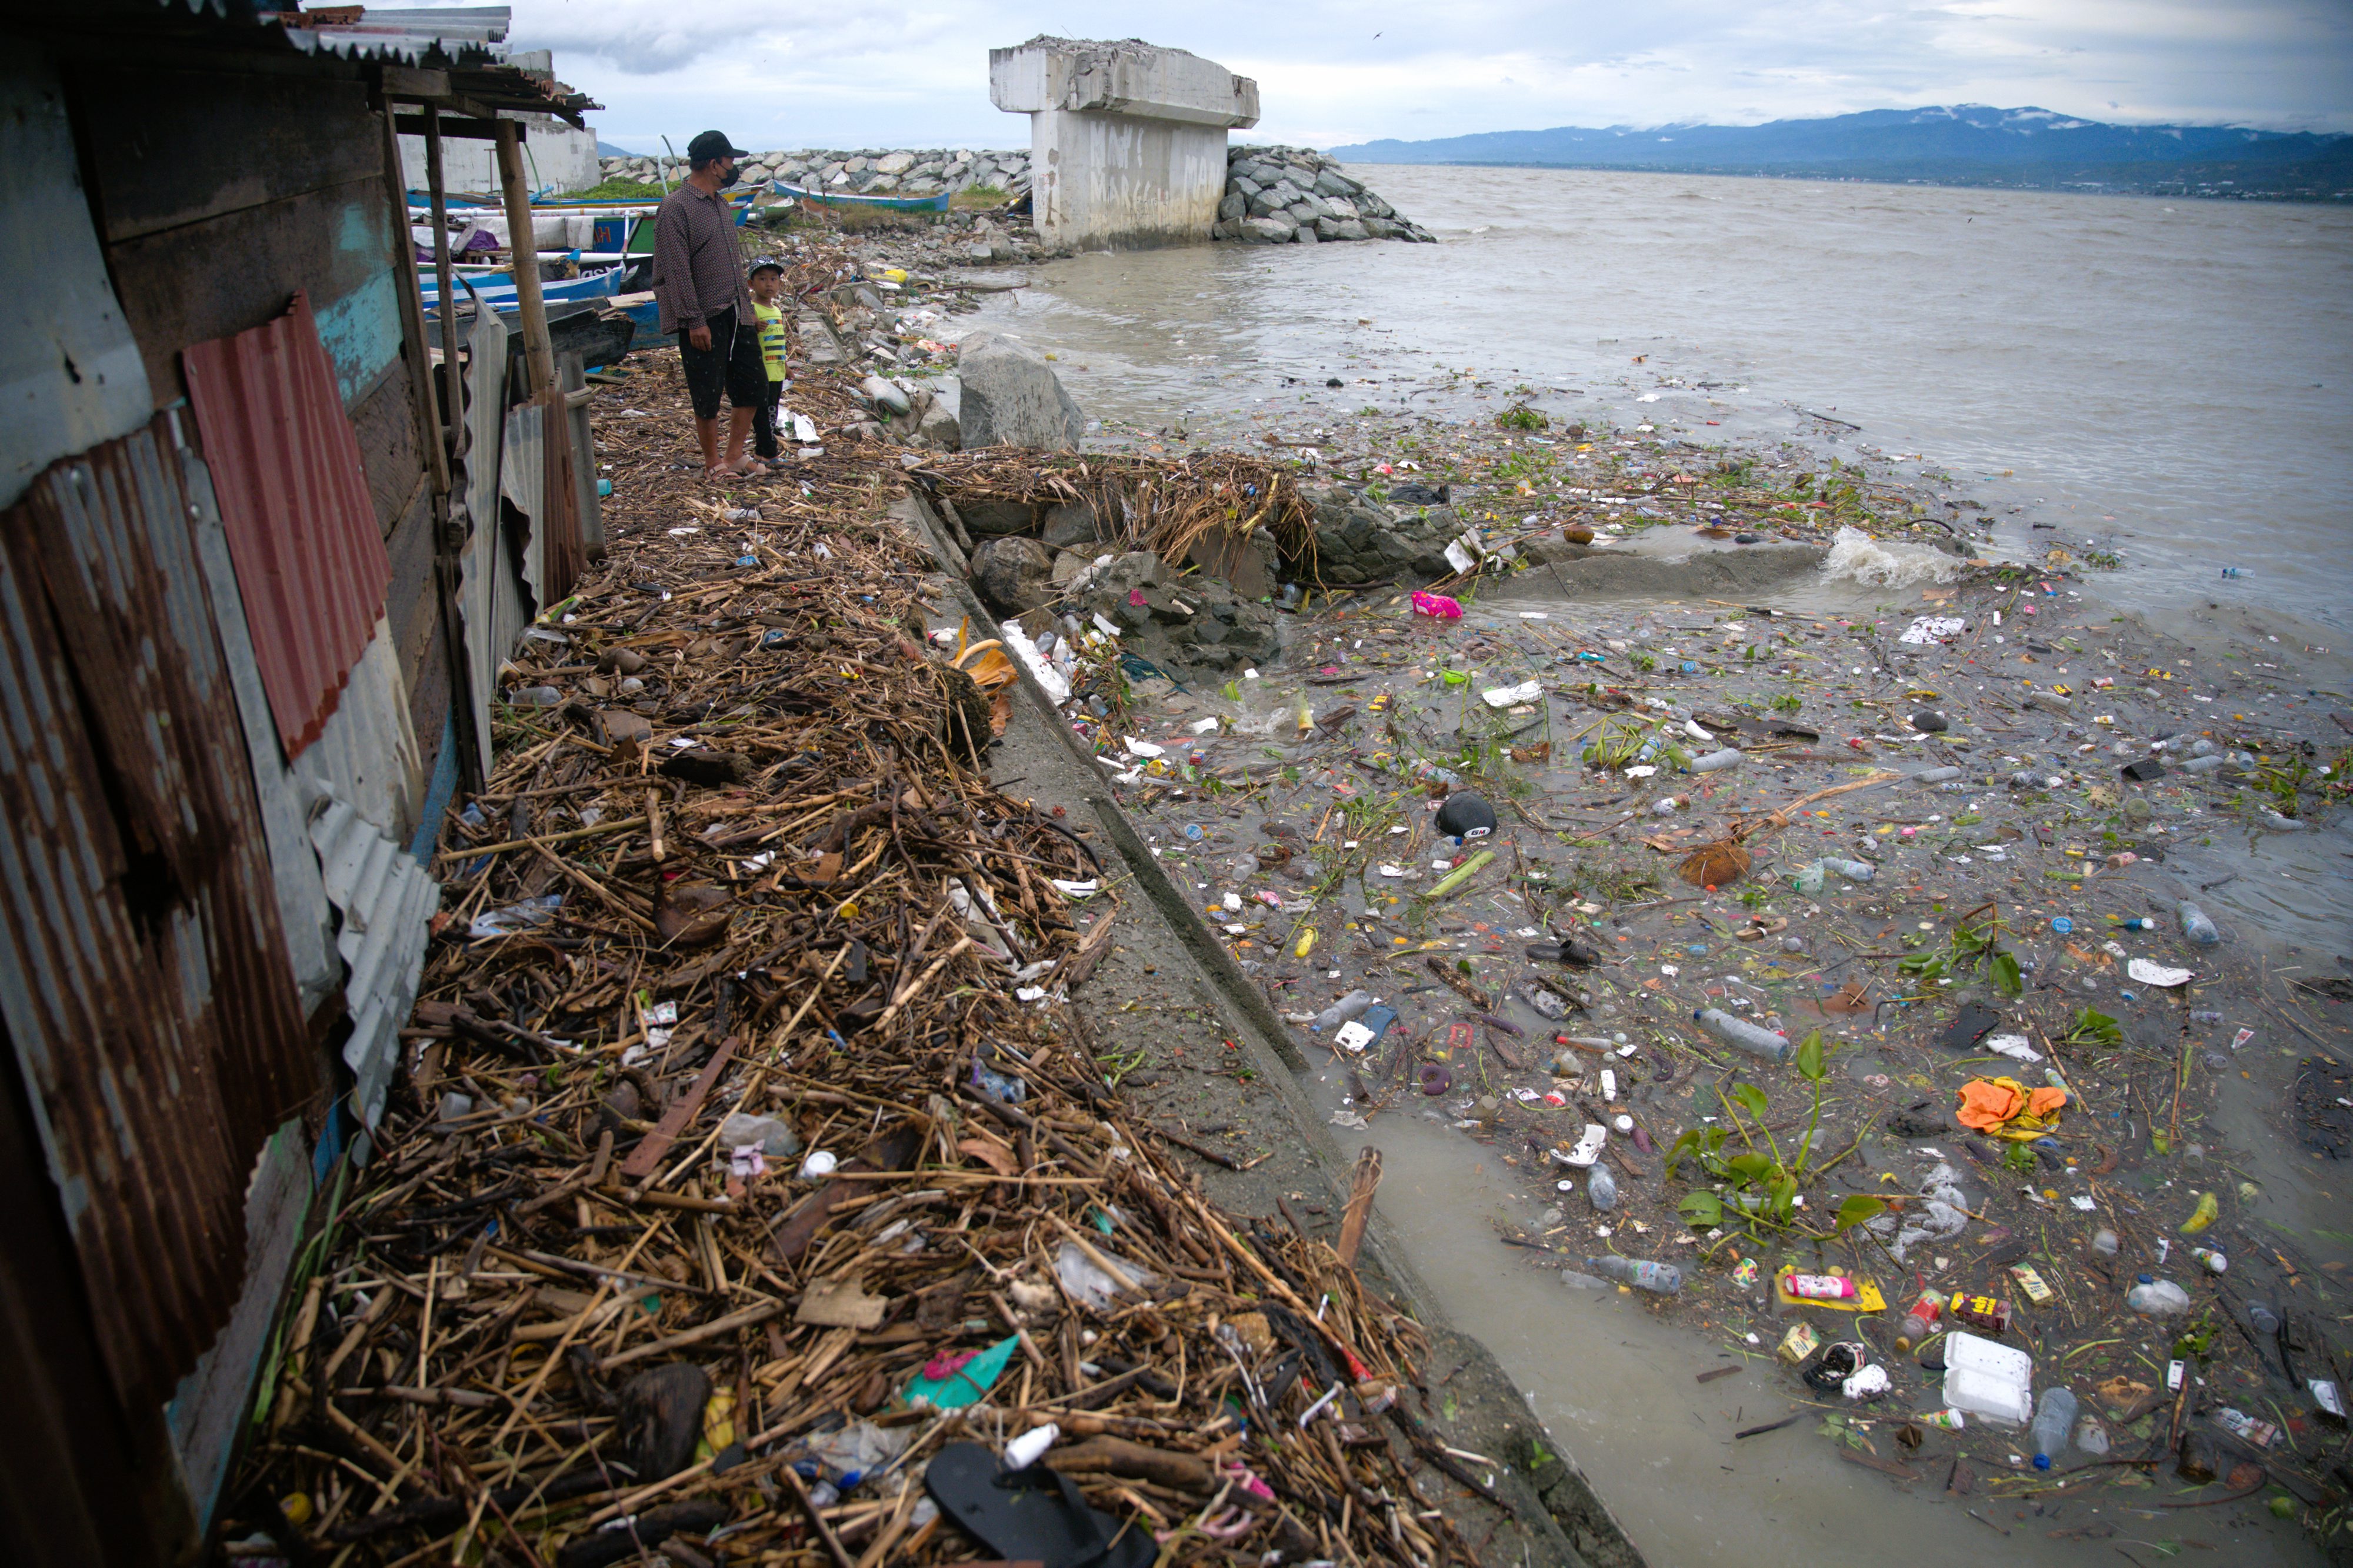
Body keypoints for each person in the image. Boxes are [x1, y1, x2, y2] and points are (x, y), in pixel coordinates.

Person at [651, 129, 762, 475]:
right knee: (707, 390)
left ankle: (734, 455)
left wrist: (748, 307)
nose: (734, 168)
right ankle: (714, 462)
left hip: (736, 309)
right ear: (714, 165)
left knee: (752, 382)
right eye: (730, 162)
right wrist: (693, 320)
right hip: (703, 315)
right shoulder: (675, 208)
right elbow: (675, 268)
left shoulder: (719, 203)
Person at [746, 257, 789, 467]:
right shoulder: (751, 311)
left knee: (770, 413)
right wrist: (752, 326)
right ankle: (769, 453)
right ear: (751, 284)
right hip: (761, 371)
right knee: (765, 414)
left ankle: (761, 452)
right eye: (762, 279)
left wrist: (786, 366)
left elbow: (779, 342)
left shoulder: (776, 311)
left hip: (777, 371)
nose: (769, 284)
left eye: (774, 279)